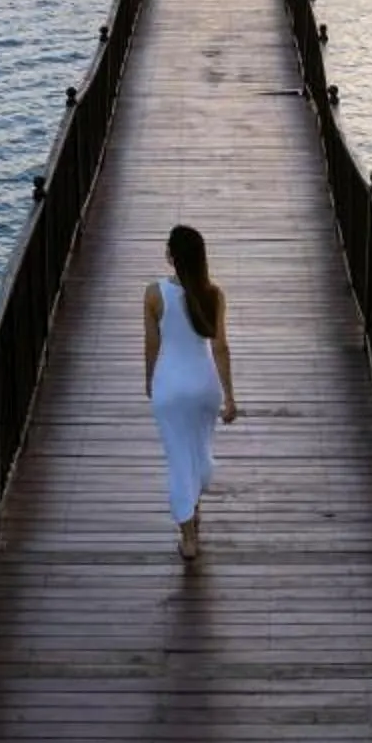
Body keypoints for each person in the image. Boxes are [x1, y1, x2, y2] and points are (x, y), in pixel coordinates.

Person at [143, 223, 238, 559]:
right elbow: (221, 348)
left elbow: (152, 346)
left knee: (179, 458)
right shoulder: (214, 294)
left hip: (170, 385)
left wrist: (149, 381)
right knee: (198, 449)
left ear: (171, 256)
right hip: (205, 386)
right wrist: (229, 396)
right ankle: (194, 503)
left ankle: (189, 538)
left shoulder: (154, 294)